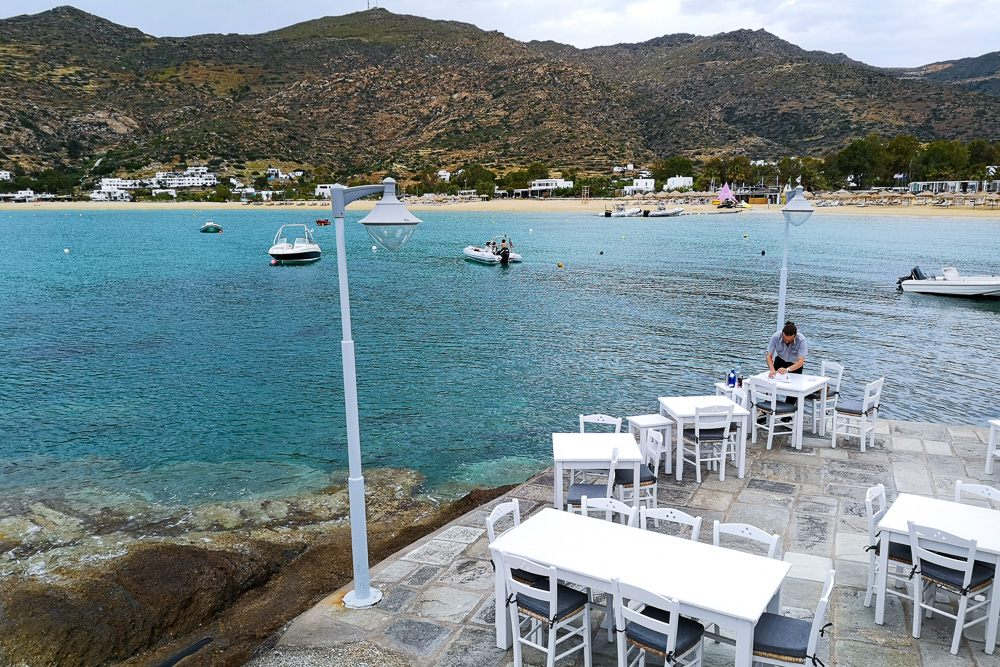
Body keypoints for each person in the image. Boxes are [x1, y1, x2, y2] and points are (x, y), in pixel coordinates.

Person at [767, 321, 807, 403]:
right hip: (780, 360)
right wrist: (772, 369)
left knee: (794, 390)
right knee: (772, 385)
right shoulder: (775, 337)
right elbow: (769, 356)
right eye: (785, 340)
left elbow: (801, 361)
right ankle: (766, 410)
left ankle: (788, 413)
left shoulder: (801, 339)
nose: (787, 342)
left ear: (795, 336)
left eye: (790, 341)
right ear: (782, 334)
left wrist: (787, 370)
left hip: (795, 364)